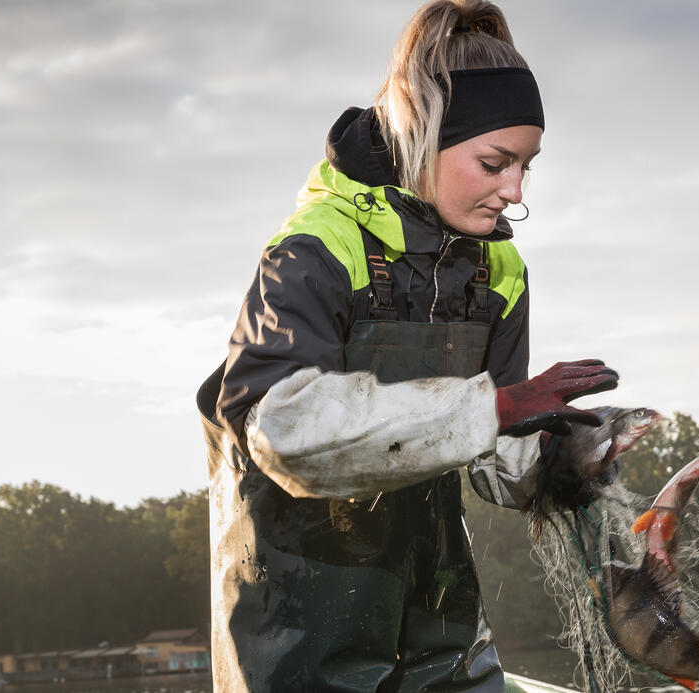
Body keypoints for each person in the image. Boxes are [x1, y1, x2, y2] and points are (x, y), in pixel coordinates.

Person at [196, 1, 619, 690]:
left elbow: (491, 455)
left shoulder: (500, 271)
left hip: (443, 636)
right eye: (493, 162)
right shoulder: (313, 250)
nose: (513, 192)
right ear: (422, 132)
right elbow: (283, 431)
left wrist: (561, 457)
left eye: (526, 167)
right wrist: (491, 407)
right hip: (297, 645)